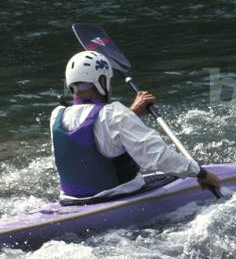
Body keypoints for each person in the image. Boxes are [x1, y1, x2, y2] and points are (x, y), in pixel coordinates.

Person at [50, 50, 222, 202]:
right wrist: (201, 173)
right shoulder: (115, 113)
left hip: (70, 201)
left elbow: (94, 134)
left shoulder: (56, 115)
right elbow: (158, 156)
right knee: (176, 170)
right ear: (102, 82)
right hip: (115, 195)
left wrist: (130, 114)